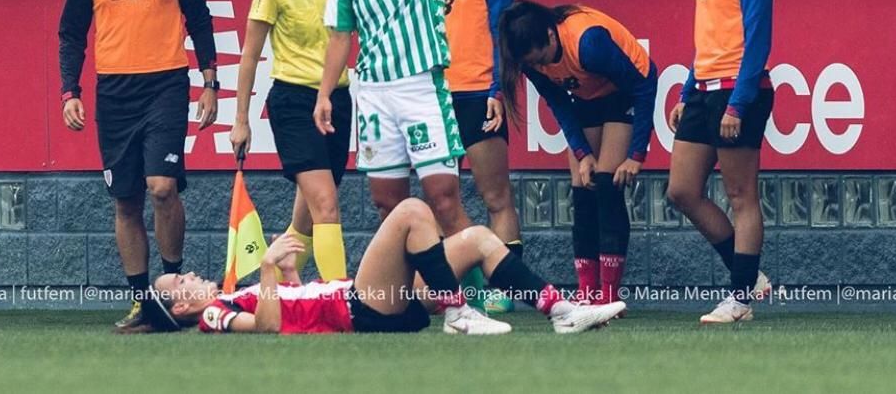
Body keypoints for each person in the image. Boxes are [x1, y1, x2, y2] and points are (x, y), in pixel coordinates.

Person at [311, 0, 495, 305]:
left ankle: (475, 296)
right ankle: (410, 295)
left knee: (443, 197)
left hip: (421, 89)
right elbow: (341, 38)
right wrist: (326, 94)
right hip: (372, 95)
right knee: (388, 203)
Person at [58, 0, 219, 329]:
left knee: (162, 188)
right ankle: (142, 303)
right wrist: (70, 90)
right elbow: (71, 33)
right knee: (126, 200)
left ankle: (173, 293)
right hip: (114, 93)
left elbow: (199, 18)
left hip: (166, 84)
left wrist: (210, 81)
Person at [153, 198, 626, 335]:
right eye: (181, 282)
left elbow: (293, 310)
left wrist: (291, 273)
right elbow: (269, 327)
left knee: (479, 238)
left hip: (368, 302)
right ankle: (458, 313)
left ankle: (559, 312)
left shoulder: (229, 295)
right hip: (360, 310)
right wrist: (271, 271)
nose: (191, 275)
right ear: (180, 309)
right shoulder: (215, 314)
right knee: (410, 212)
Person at [666, 0, 776, 324]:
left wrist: (737, 105)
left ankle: (740, 299)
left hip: (738, 92)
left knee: (740, 195)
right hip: (705, 89)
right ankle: (748, 275)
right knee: (682, 191)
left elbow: (756, 42)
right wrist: (689, 90)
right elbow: (710, 39)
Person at [498, 0, 657, 306]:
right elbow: (559, 103)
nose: (541, 66)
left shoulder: (588, 43)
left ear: (550, 35)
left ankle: (609, 296)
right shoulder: (530, 61)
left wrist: (636, 154)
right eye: (533, 63)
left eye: (542, 57)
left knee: (608, 186)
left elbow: (644, 84)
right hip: (586, 97)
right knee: (583, 191)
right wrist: (582, 153)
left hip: (622, 93)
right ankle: (587, 293)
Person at [229, 0, 351, 281]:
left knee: (311, 213)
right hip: (294, 103)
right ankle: (338, 297)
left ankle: (280, 287)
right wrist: (241, 119)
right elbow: (249, 55)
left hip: (338, 100)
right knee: (327, 204)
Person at [425, 0, 521, 313]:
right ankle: (470, 287)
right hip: (432, 101)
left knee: (495, 196)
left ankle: (510, 287)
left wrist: (497, 92)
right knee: (444, 201)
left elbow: (506, 37)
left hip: (479, 97)